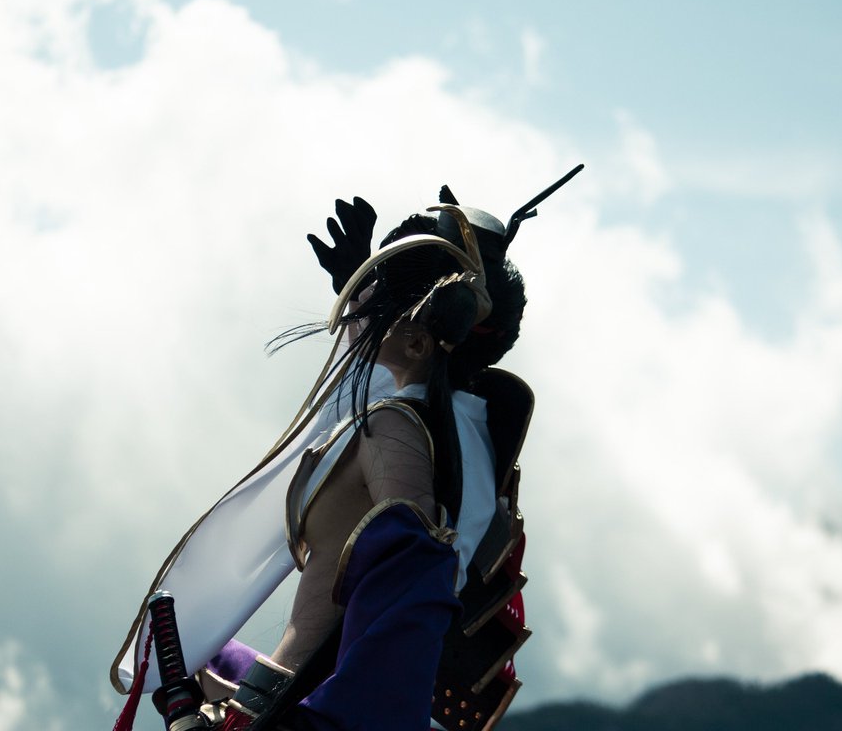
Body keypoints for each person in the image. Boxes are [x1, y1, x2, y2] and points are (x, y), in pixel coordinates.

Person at [110, 167, 582, 731]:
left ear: (421, 336)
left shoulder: (399, 430)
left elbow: (409, 611)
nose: (368, 300)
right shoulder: (456, 425)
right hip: (286, 703)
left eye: (384, 288)